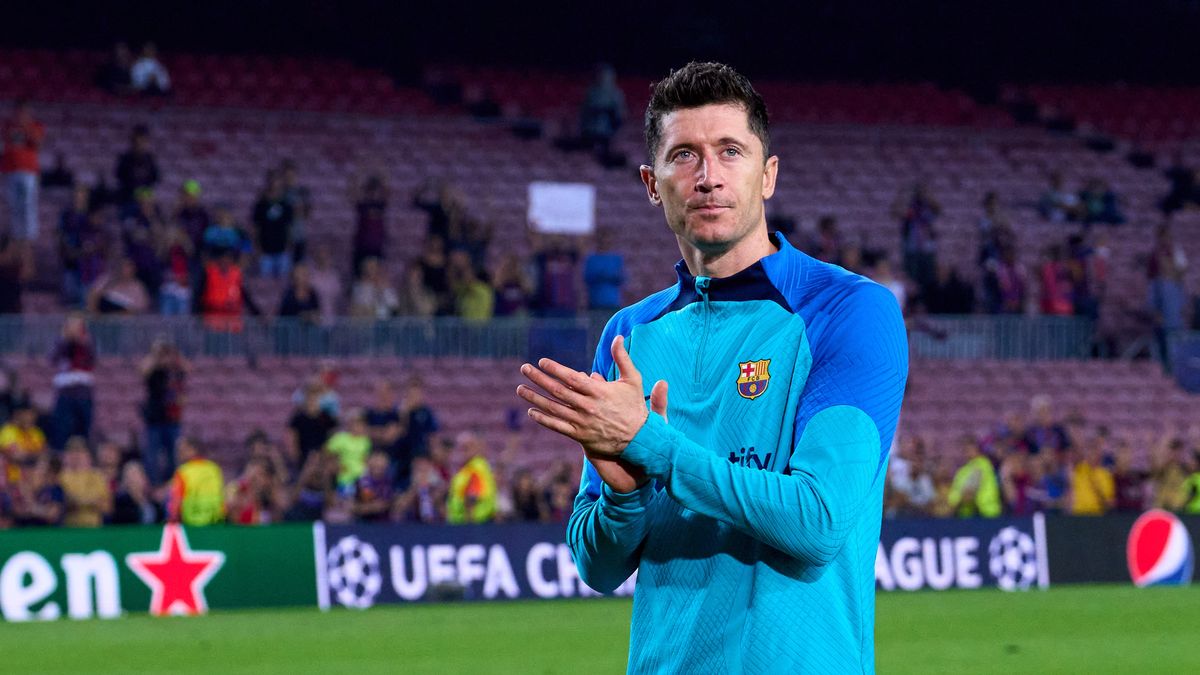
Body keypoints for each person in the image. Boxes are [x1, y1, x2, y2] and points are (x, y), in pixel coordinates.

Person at [516, 62, 906, 672]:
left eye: (731, 151)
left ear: (767, 174)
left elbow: (820, 521)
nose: (708, 177)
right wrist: (623, 495)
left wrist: (654, 447)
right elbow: (598, 566)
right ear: (652, 182)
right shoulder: (628, 335)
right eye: (685, 156)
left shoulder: (849, 311)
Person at [140, 340, 188, 484]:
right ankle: (153, 485)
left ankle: (171, 483)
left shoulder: (175, 371)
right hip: (154, 420)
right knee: (151, 457)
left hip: (173, 420)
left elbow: (188, 368)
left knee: (174, 456)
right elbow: (142, 370)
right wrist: (156, 354)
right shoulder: (154, 372)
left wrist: (174, 355)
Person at [50, 314, 96, 450]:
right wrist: (65, 339)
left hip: (83, 395)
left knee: (83, 432)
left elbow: (92, 359)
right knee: (61, 432)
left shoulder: (88, 343)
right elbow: (53, 359)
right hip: (65, 394)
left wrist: (81, 340)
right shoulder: (61, 343)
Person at [2, 100, 45, 242]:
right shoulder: (7, 126)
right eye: (19, 112)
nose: (21, 115)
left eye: (24, 112)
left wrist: (26, 127)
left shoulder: (35, 126)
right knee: (14, 203)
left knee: (27, 203)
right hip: (10, 170)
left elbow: (38, 145)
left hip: (28, 171)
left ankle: (29, 235)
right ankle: (16, 234)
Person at [168, 437, 225, 526]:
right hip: (215, 521)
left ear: (193, 450)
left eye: (182, 450)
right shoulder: (213, 468)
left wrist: (172, 520)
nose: (179, 454)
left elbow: (177, 500)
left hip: (191, 522)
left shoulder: (183, 471)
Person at [59, 437, 112, 527]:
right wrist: (91, 501)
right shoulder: (61, 476)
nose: (76, 456)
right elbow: (65, 502)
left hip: (93, 529)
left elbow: (106, 506)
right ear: (65, 456)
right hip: (69, 529)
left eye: (80, 452)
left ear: (88, 455)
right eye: (72, 452)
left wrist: (79, 501)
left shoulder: (97, 476)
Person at [252, 172, 295, 278]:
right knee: (265, 284)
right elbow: (256, 227)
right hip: (265, 250)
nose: (274, 183)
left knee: (284, 282)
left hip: (282, 250)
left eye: (277, 181)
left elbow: (289, 226)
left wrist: (289, 246)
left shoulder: (286, 204)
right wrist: (257, 247)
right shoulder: (261, 204)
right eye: (272, 180)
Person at [946, 436, 1002, 517]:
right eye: (965, 449)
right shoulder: (963, 470)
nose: (967, 452)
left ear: (977, 449)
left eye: (970, 448)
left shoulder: (982, 465)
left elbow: (969, 493)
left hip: (986, 513)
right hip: (965, 515)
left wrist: (956, 501)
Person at [349, 173, 389, 275]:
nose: (374, 193)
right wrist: (358, 174)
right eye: (371, 190)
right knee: (358, 274)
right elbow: (353, 194)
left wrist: (383, 173)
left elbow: (387, 192)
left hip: (377, 246)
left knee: (376, 274)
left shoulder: (381, 205)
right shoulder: (363, 205)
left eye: (376, 190)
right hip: (362, 246)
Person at [325, 409, 372, 494]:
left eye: (361, 424)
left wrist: (366, 468)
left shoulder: (365, 441)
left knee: (367, 492)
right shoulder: (340, 438)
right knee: (347, 495)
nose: (358, 427)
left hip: (361, 475)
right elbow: (327, 453)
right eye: (355, 424)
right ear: (349, 424)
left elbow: (365, 458)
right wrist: (335, 464)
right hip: (345, 475)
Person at [115, 125, 160, 207]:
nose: (140, 143)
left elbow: (156, 177)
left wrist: (144, 193)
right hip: (127, 198)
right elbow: (119, 176)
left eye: (143, 140)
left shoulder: (150, 159)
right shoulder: (126, 158)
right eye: (138, 140)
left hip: (145, 199)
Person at [583, 229, 626, 312]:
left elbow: (622, 278)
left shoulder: (616, 259)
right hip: (595, 302)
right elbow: (587, 278)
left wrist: (612, 277)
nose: (605, 242)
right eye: (602, 240)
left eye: (607, 240)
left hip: (613, 302)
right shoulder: (591, 259)